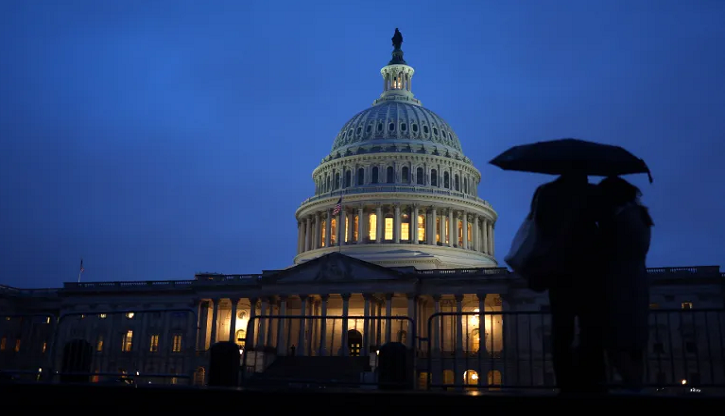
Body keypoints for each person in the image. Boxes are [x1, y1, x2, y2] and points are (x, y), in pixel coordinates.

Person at [530, 172, 605, 395]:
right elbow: (606, 229)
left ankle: (566, 384)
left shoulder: (546, 193)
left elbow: (537, 228)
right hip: (588, 270)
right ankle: (594, 383)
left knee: (561, 330)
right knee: (591, 329)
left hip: (559, 271)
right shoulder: (591, 193)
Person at [597, 176, 653, 392]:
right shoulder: (639, 215)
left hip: (619, 283)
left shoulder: (623, 219)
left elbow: (611, 250)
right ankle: (634, 384)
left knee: (616, 340)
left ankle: (633, 386)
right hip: (634, 281)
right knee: (632, 340)